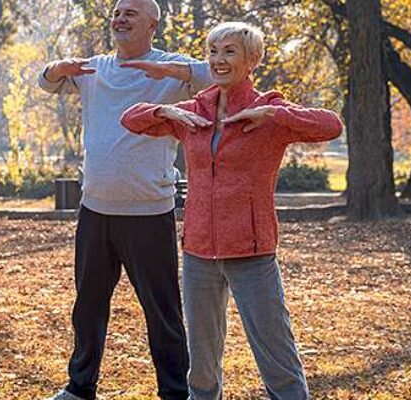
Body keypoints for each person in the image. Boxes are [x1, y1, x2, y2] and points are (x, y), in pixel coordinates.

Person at [120, 21, 344, 400]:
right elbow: (131, 119)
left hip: (252, 253)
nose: (218, 60)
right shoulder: (194, 112)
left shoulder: (269, 111)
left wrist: (273, 116)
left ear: (252, 60)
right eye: (212, 51)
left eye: (229, 52)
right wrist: (165, 112)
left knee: (277, 358)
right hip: (197, 255)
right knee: (202, 368)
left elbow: (331, 125)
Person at [38, 0, 214, 399]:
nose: (119, 18)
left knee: (163, 312)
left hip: (149, 213)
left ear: (153, 23)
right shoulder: (95, 68)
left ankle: (174, 391)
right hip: (95, 211)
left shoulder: (171, 66)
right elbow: (44, 84)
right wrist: (56, 68)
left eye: (130, 13)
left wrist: (171, 71)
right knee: (88, 308)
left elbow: (218, 76)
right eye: (117, 12)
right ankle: (80, 388)